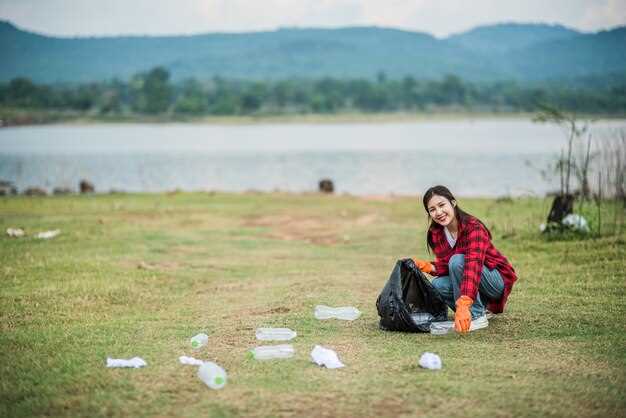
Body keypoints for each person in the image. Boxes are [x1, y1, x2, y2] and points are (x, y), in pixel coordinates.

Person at [413, 185, 517, 333]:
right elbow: (447, 265)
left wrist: (464, 303)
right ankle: (477, 309)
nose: (439, 212)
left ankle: (477, 316)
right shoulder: (436, 233)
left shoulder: (473, 227)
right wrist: (428, 267)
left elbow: (472, 265)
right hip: (470, 281)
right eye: (432, 209)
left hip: (494, 281)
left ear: (453, 203)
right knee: (437, 285)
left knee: (457, 261)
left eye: (442, 205)